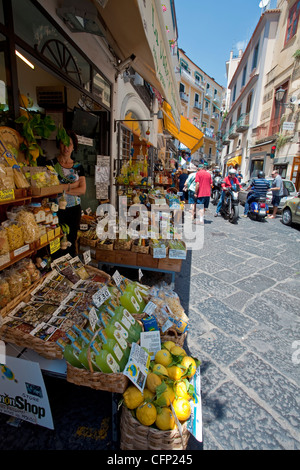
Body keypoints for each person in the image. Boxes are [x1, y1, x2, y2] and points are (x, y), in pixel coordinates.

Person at [51, 130, 86, 257]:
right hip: (55, 210)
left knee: (71, 239)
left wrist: (63, 188)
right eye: (63, 144)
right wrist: (73, 185)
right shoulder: (51, 165)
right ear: (59, 144)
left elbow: (82, 190)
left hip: (74, 210)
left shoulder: (78, 166)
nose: (66, 148)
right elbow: (51, 189)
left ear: (73, 146)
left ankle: (70, 269)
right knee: (55, 240)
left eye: (69, 144)